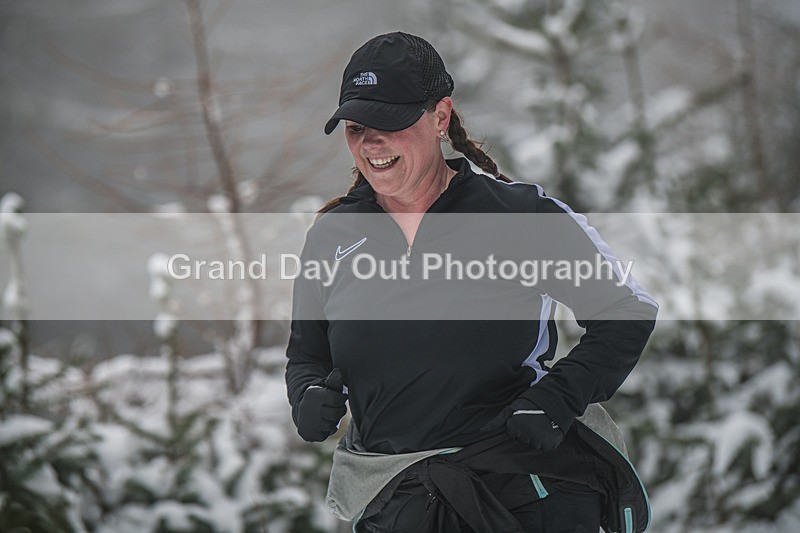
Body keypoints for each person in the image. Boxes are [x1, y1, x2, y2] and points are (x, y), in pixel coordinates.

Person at [285, 32, 658, 533]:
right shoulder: (332, 236)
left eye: (390, 123)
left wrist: (557, 398)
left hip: (522, 492)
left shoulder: (519, 215)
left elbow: (626, 310)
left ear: (440, 116)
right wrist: (307, 395)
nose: (371, 143)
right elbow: (308, 354)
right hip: (399, 504)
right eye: (356, 127)